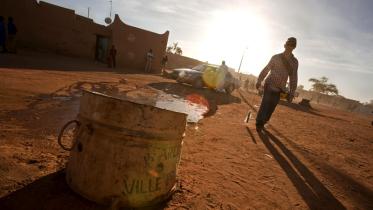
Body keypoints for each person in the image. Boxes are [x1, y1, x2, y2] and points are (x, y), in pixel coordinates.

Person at [255, 37, 298, 132]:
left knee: (272, 106)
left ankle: (264, 120)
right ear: (285, 45)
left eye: (292, 45)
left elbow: (293, 78)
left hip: (280, 88)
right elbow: (267, 69)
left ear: (294, 47)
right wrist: (259, 80)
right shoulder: (276, 57)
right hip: (269, 83)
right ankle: (259, 123)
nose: (290, 47)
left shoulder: (294, 62)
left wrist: (292, 92)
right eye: (288, 44)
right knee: (265, 103)